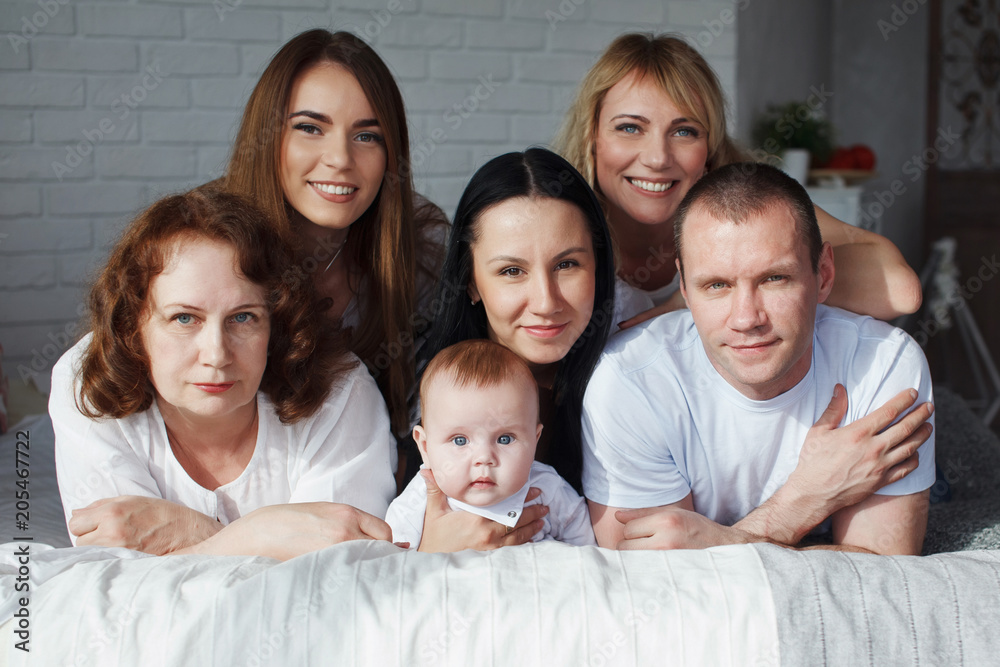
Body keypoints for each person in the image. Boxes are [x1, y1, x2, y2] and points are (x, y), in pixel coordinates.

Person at [581, 163, 935, 555]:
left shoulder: (884, 363)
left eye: (774, 279)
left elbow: (883, 575)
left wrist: (718, 547)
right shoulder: (629, 381)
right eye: (717, 285)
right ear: (683, 286)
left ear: (824, 273)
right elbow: (656, 592)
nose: (747, 319)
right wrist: (804, 500)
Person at [50, 189, 397, 560]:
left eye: (243, 317)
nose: (217, 355)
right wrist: (267, 537)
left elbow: (332, 577)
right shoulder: (86, 378)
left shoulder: (341, 391)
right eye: (184, 318)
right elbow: (125, 583)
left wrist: (194, 533)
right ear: (133, 328)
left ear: (277, 325)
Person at [554, 32, 922, 326]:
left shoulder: (747, 198)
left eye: (684, 132)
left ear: (710, 147)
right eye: (630, 128)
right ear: (592, 137)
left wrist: (694, 296)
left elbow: (900, 289)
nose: (657, 158)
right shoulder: (554, 217)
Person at [223, 29, 447, 461]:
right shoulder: (206, 242)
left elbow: (440, 420)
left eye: (367, 136)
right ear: (268, 138)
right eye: (310, 128)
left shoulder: (421, 252)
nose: (341, 158)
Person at [415, 147, 616, 551]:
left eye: (567, 265)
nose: (545, 301)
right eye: (512, 271)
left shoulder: (628, 376)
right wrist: (428, 551)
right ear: (470, 281)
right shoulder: (429, 386)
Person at [386, 340, 596, 549]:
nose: (484, 458)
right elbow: (396, 567)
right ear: (425, 446)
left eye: (504, 439)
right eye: (460, 440)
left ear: (535, 439)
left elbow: (584, 543)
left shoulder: (546, 488)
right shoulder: (417, 503)